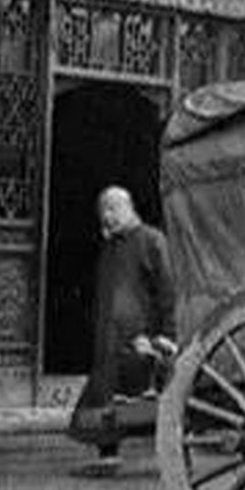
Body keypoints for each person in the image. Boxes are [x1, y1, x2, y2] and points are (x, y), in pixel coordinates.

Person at [68, 186, 177, 473]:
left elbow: (166, 291)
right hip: (110, 338)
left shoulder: (152, 241)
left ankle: (165, 456)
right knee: (105, 393)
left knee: (146, 396)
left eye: (114, 208)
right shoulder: (110, 247)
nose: (108, 215)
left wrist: (165, 334)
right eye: (103, 210)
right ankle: (108, 454)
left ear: (129, 208)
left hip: (141, 337)